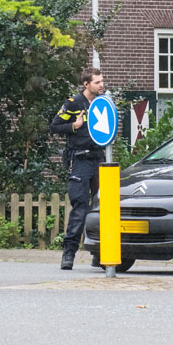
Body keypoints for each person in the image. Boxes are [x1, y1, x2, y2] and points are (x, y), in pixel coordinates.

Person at [49, 67, 107, 270]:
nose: (102, 85)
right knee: (80, 207)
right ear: (86, 84)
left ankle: (100, 254)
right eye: (97, 82)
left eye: (102, 81)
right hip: (81, 161)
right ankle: (69, 254)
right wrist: (74, 125)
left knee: (102, 208)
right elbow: (54, 126)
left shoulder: (104, 104)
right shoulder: (74, 104)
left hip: (99, 159)